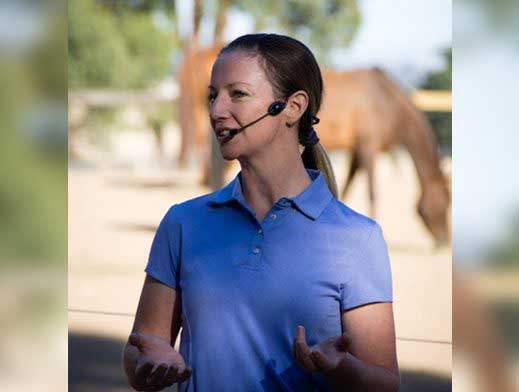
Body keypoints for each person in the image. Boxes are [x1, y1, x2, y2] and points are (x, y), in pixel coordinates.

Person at [122, 33, 399, 391]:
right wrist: (147, 363)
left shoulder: (359, 239)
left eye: (237, 94)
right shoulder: (181, 223)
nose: (216, 110)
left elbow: (385, 384)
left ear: (293, 107)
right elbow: (139, 353)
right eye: (212, 95)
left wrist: (339, 368)